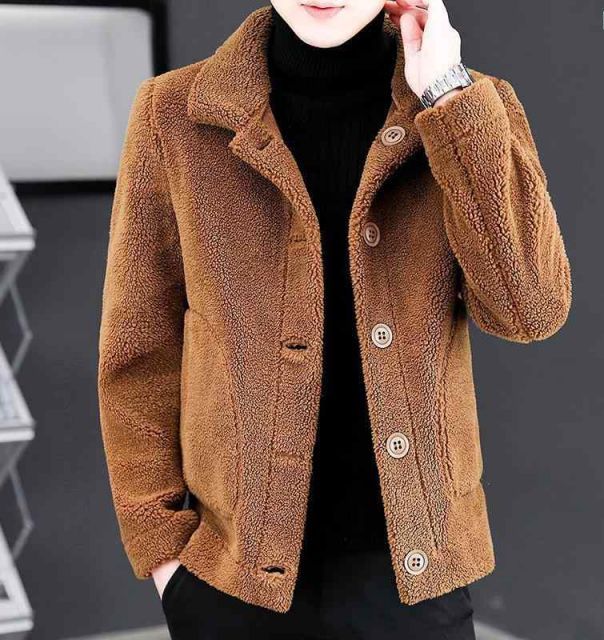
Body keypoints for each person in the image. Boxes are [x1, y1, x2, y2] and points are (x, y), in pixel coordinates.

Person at [97, 1, 572, 639]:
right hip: (231, 587)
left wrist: (448, 99)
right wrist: (164, 557)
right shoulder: (173, 114)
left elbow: (530, 309)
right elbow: (138, 353)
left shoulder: (470, 106)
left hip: (414, 584)